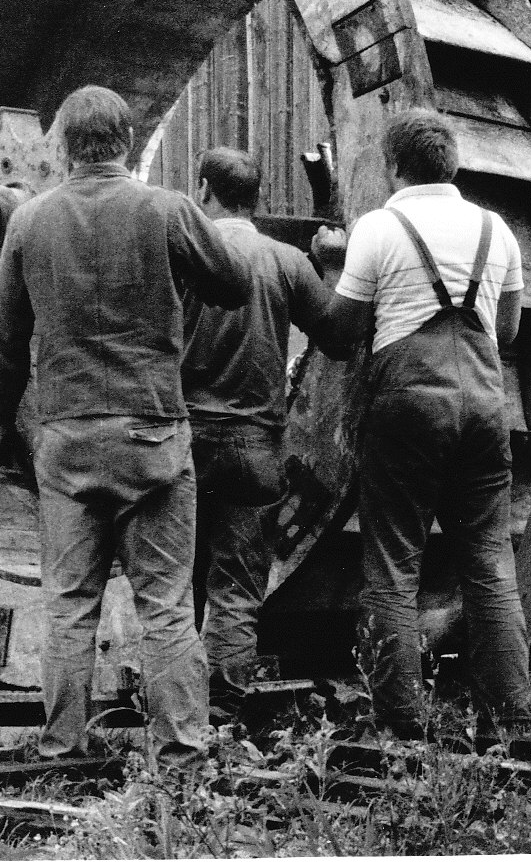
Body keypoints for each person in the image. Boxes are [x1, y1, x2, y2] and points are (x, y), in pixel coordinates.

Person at [0, 85, 251, 768]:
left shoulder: (29, 222)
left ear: (61, 147)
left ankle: (62, 749)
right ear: (128, 142)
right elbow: (234, 284)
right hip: (152, 432)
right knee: (166, 604)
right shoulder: (168, 209)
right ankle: (181, 753)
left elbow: (5, 338)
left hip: (67, 438)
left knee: (70, 604)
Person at [312, 108, 531, 745]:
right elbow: (508, 332)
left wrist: (332, 265)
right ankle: (511, 720)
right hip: (485, 408)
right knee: (490, 563)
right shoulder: (497, 230)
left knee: (393, 565)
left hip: (407, 410)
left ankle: (401, 722)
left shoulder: (380, 228)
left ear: (394, 166)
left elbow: (342, 333)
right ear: (452, 165)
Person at [181, 147, 352, 720]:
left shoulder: (180, 255)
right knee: (235, 583)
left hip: (182, 440)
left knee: (172, 583)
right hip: (253, 446)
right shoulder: (285, 260)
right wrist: (332, 266)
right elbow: (338, 338)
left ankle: (173, 707)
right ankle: (222, 712)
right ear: (255, 199)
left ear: (203, 189)